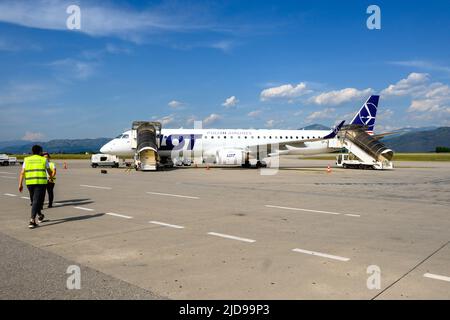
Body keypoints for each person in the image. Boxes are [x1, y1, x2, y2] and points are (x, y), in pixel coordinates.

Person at [18, 145, 55, 229]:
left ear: (32, 151)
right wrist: (51, 178)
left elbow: (22, 172)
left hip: (29, 183)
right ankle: (32, 220)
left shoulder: (26, 159)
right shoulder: (43, 159)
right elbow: (49, 171)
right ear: (40, 151)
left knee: (34, 200)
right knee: (36, 201)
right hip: (40, 183)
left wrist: (20, 184)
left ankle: (40, 214)